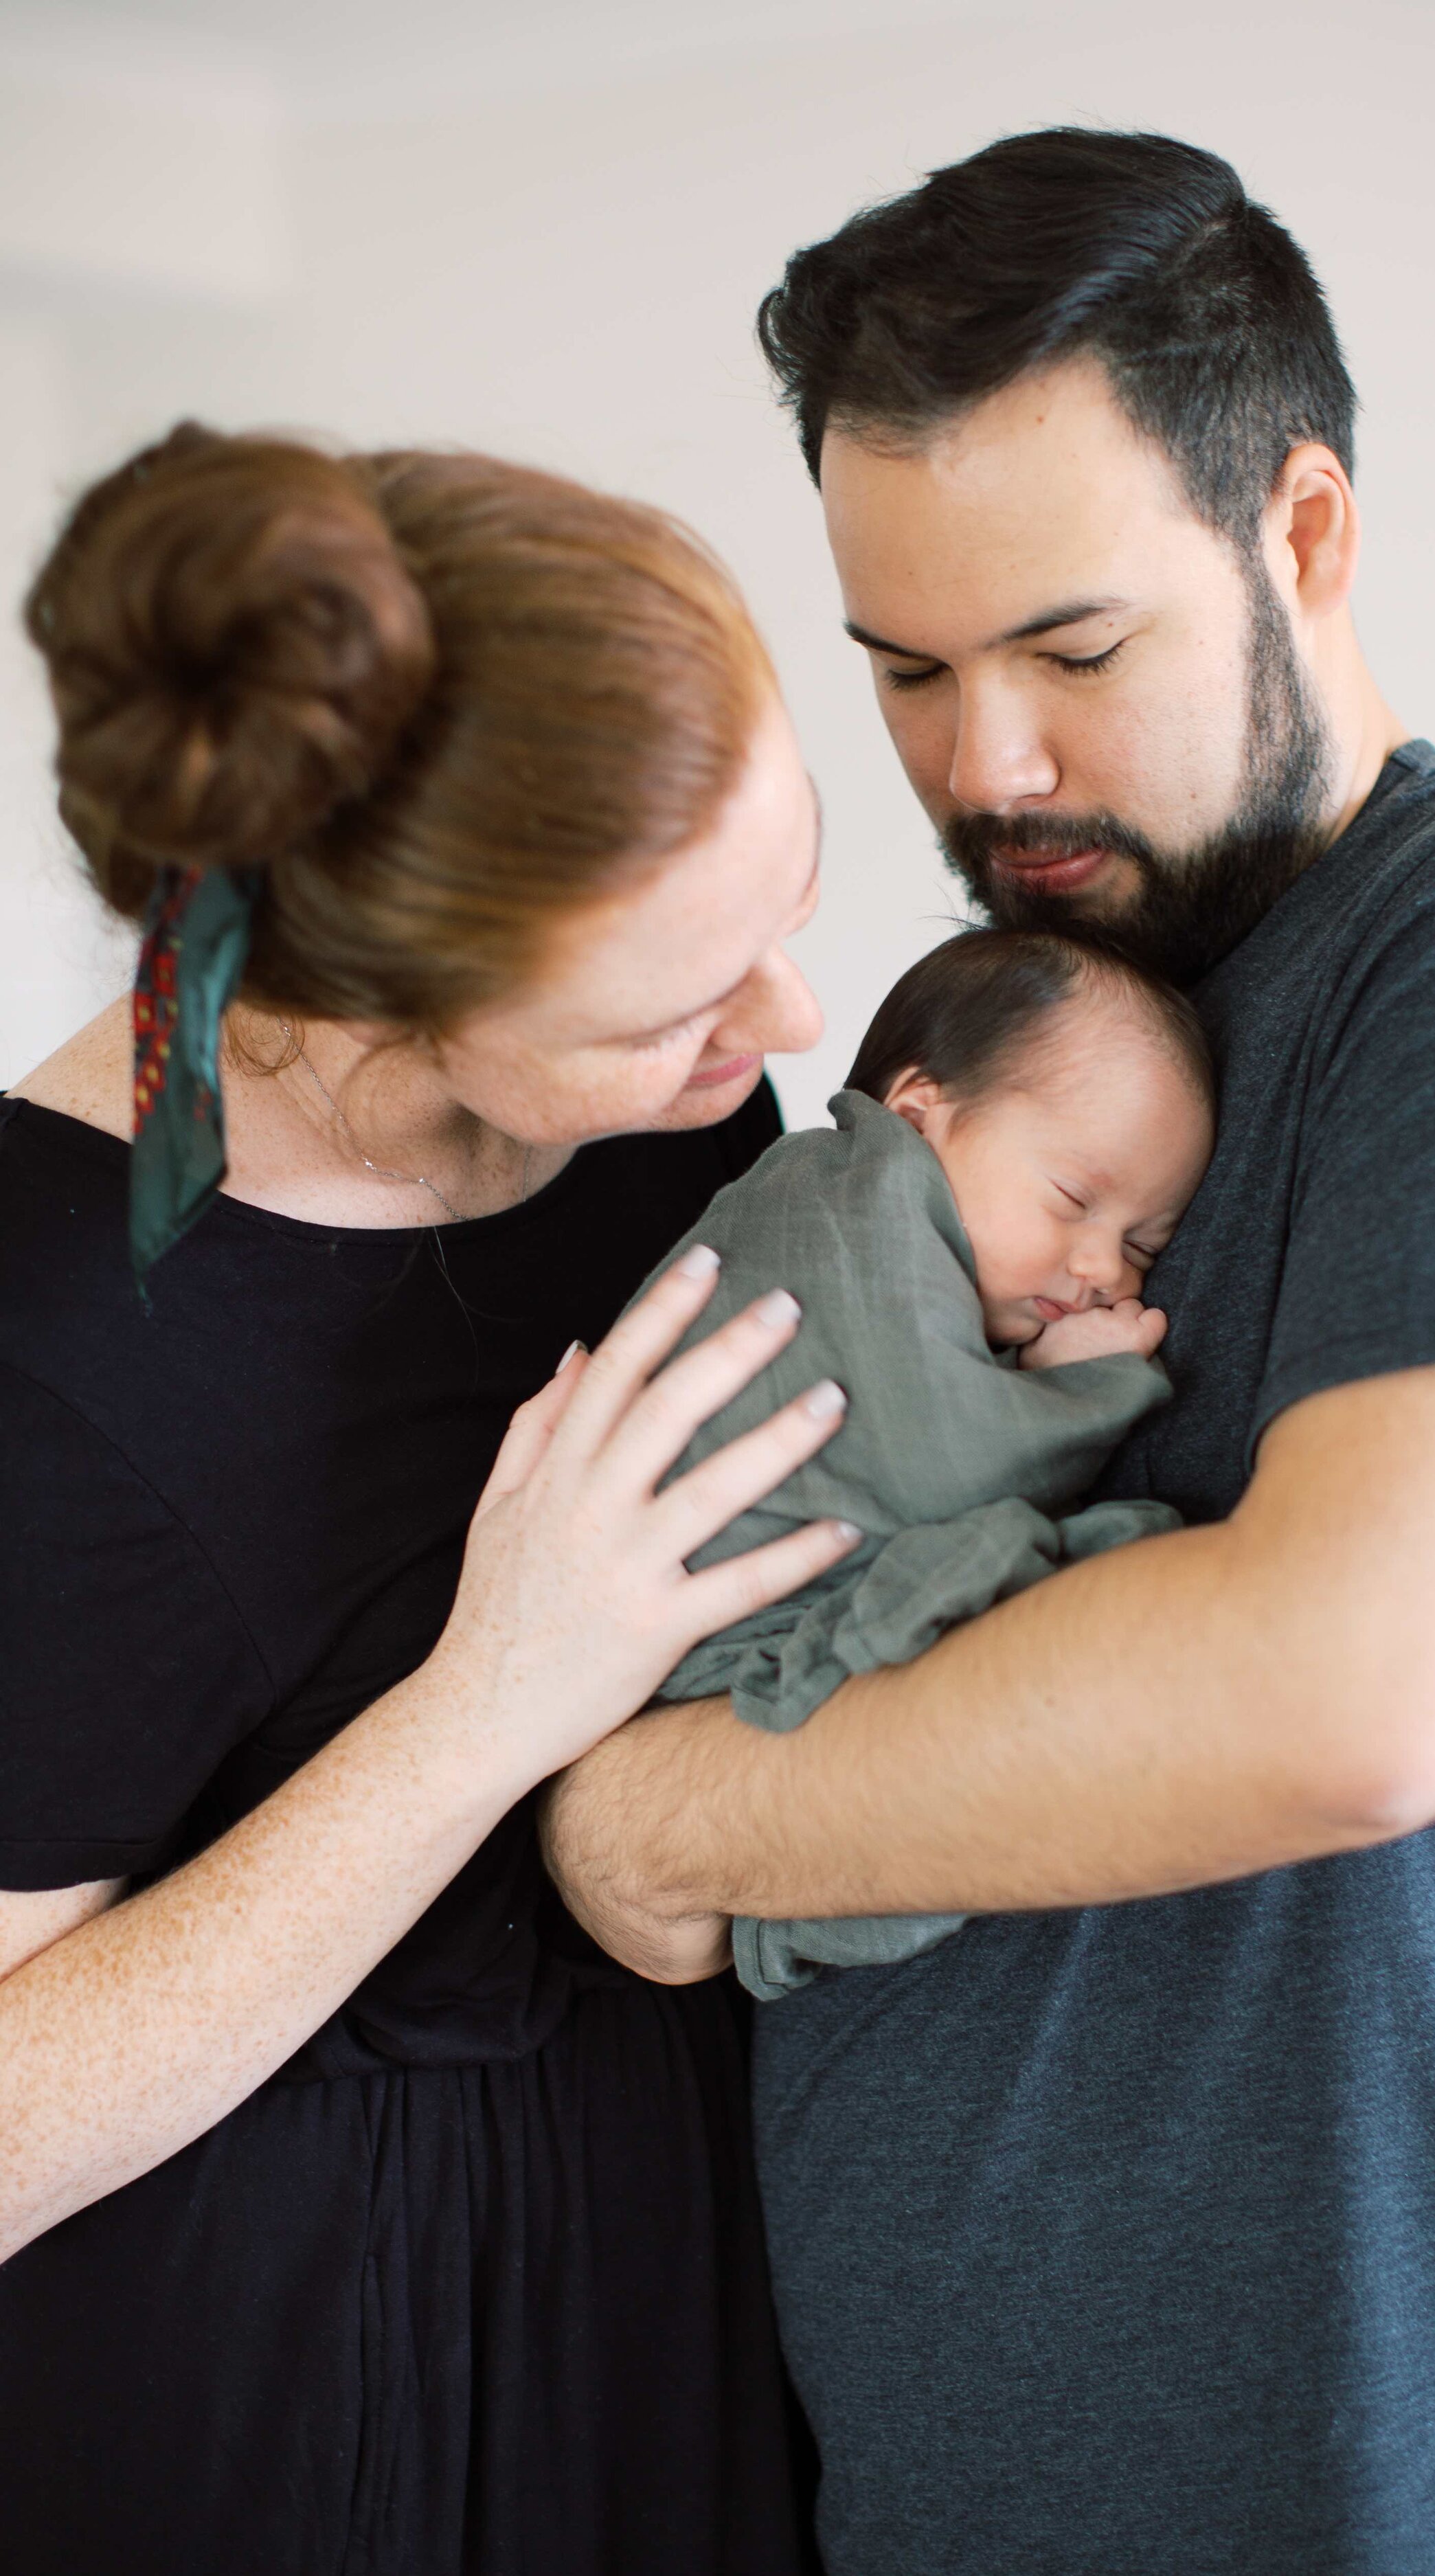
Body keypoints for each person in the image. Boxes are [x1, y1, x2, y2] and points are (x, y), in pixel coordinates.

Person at [541, 129, 1435, 2574]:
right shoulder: (987, 1047)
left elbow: (1354, 1687)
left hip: (1412, 2483)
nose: (986, 769)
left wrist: (660, 1824)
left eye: (1071, 656)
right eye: (910, 673)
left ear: (1302, 534)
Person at [0, 422, 861, 2574]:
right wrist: (490, 1697)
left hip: (692, 2294)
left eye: (786, 905)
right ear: (382, 998)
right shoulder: (45, 1341)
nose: (784, 1020)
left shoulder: (678, 1117)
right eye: (680, 1001)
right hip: (294, 2406)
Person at [642, 927, 1210, 1998]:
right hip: (687, 1670)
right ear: (917, 1116)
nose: (1100, 1268)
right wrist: (1086, 1385)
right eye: (1071, 1199)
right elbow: (927, 1455)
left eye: (1144, 1244)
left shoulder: (907, 1235)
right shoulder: (841, 1198)